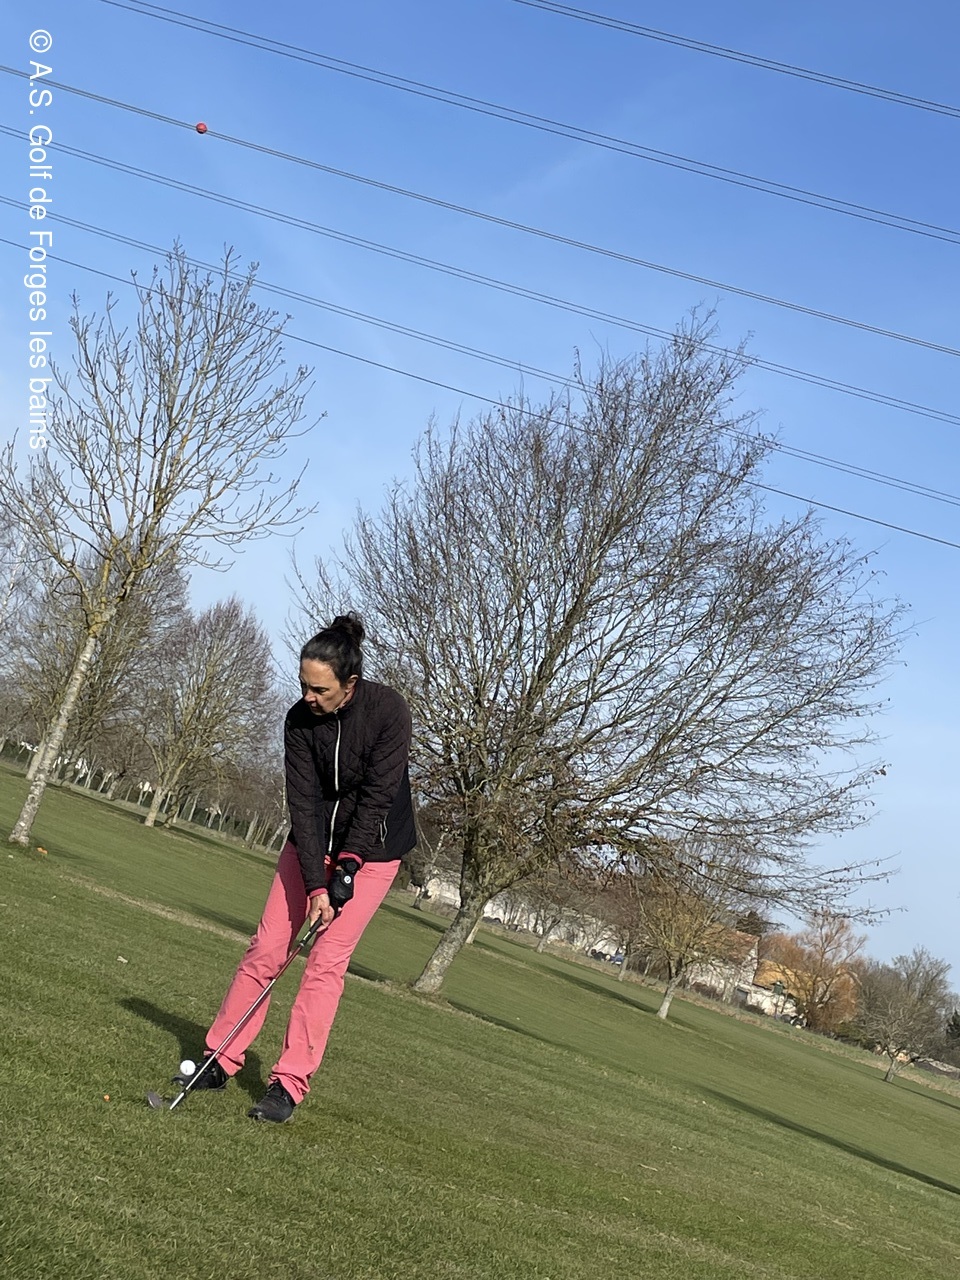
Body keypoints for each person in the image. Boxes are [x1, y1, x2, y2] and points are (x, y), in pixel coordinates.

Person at [175, 613, 416, 1122]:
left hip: (373, 852)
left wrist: (345, 872)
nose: (309, 696)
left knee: (324, 965)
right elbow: (303, 805)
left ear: (350, 684)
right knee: (266, 948)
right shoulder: (298, 721)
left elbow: (377, 798)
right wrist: (315, 885)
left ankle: (288, 1084)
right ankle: (220, 1058)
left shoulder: (388, 711)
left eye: (319, 689)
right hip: (310, 843)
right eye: (303, 684)